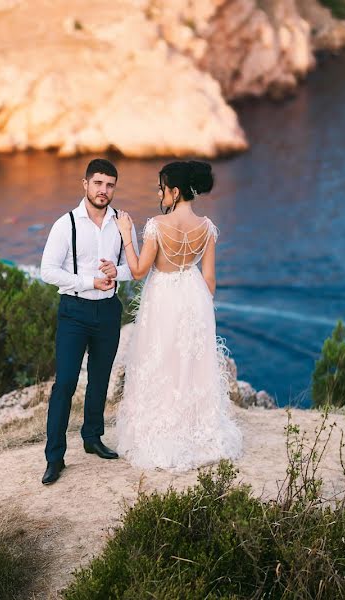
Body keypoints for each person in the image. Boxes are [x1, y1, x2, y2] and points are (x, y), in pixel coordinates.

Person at [113, 160, 242, 471]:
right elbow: (209, 279)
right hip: (193, 295)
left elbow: (139, 270)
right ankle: (195, 430)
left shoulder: (157, 225)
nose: (160, 192)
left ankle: (160, 431)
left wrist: (126, 234)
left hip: (164, 297)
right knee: (190, 364)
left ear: (175, 191)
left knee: (161, 360)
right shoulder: (207, 227)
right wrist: (198, 304)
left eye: (162, 188)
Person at [38, 158, 139, 485]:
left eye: (109, 185)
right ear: (85, 184)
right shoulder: (65, 224)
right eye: (98, 183)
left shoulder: (123, 224)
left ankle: (93, 437)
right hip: (74, 312)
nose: (103, 190)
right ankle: (55, 458)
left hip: (108, 312)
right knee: (65, 383)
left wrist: (116, 273)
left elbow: (133, 268)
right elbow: (48, 271)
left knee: (100, 378)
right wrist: (89, 281)